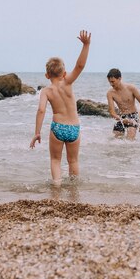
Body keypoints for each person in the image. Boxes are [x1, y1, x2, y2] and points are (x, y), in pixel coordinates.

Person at [30, 30, 91, 186]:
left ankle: (56, 186)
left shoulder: (46, 91)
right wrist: (86, 45)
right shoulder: (68, 82)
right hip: (73, 128)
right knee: (73, 161)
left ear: (46, 75)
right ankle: (74, 190)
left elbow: (41, 110)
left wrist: (37, 132)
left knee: (56, 160)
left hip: (58, 128)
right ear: (64, 73)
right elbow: (80, 65)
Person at [106, 68, 140, 140]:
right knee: (115, 142)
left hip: (133, 116)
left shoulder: (131, 88)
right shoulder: (110, 93)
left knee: (130, 141)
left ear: (119, 78)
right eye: (109, 82)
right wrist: (121, 119)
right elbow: (112, 112)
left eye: (113, 81)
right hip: (121, 117)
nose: (111, 84)